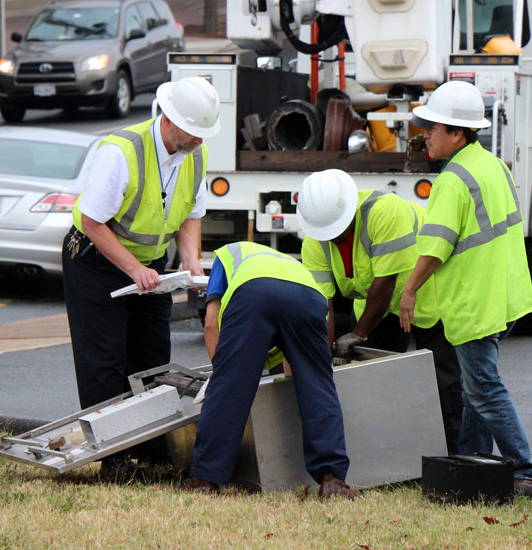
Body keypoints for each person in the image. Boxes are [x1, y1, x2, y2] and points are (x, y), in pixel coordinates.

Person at [62, 76, 220, 478]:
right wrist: (133, 269)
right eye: (192, 133)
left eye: (203, 134)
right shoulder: (122, 151)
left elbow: (189, 215)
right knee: (105, 360)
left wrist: (191, 262)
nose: (198, 141)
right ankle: (114, 458)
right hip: (96, 260)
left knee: (152, 357)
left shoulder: (195, 156)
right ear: (168, 119)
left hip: (151, 266)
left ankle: (150, 450)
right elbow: (94, 222)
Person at [399, 80, 532, 484]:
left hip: (475, 303)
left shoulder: (453, 180)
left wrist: (409, 291)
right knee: (475, 388)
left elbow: (435, 247)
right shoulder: (491, 164)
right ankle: (472, 461)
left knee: (482, 390)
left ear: (457, 133)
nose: (425, 135)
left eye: (433, 128)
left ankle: (526, 471)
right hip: (505, 293)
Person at [296, 169, 464, 454]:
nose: (334, 236)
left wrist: (358, 333)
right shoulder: (314, 240)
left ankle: (452, 458)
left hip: (428, 294)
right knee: (375, 382)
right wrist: (323, 359)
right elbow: (322, 306)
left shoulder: (385, 211)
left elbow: (386, 283)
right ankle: (389, 457)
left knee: (442, 380)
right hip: (376, 307)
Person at [184, 241, 355, 498]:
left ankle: (205, 480)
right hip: (309, 298)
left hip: (253, 293)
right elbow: (297, 370)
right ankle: (333, 480)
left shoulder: (227, 254)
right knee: (318, 386)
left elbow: (210, 324)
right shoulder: (289, 265)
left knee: (229, 388)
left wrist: (222, 376)